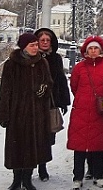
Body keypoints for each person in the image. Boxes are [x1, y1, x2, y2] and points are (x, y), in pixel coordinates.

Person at [0, 32, 54, 190]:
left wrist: (45, 88)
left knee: (33, 146)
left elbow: (49, 82)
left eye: (36, 45)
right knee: (17, 146)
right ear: (23, 47)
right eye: (32, 45)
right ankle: (16, 179)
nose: (36, 48)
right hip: (17, 112)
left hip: (37, 113)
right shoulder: (11, 64)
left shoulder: (42, 63)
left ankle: (27, 179)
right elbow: (5, 90)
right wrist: (4, 114)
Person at [68, 36, 103, 189]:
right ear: (86, 51)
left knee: (99, 145)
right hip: (81, 110)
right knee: (79, 146)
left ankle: (99, 175)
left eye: (96, 48)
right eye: (90, 49)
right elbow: (74, 86)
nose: (93, 51)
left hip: (100, 111)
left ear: (101, 50)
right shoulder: (79, 68)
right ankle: (77, 176)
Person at [35, 27, 71, 182]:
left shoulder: (55, 58)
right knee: (32, 137)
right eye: (41, 40)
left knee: (46, 137)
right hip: (33, 103)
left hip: (50, 102)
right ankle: (28, 167)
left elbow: (61, 80)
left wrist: (63, 101)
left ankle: (42, 167)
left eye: (47, 40)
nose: (44, 42)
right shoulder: (31, 56)